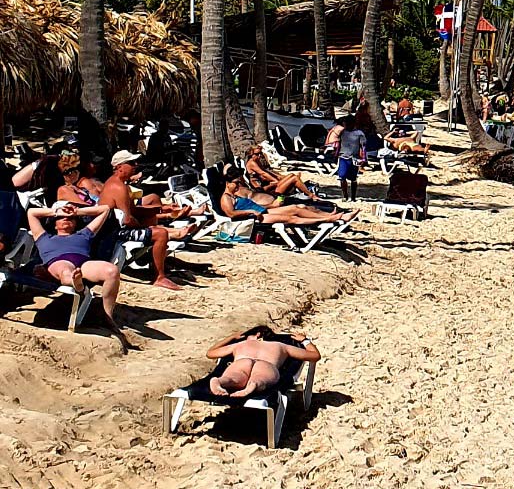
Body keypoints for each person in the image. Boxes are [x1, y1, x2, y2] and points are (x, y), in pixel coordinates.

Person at [26, 203, 129, 345]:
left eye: (70, 219)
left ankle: (107, 316)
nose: (66, 219)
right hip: (58, 262)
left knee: (112, 271)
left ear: (75, 223)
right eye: (61, 218)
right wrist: (57, 211)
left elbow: (105, 210)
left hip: (83, 264)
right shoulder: (43, 237)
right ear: (55, 225)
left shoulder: (84, 233)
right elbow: (31, 212)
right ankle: (77, 284)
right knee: (65, 271)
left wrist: (76, 211)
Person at [98, 151, 192, 292]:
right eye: (131, 163)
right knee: (160, 234)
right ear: (119, 167)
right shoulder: (118, 187)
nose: (135, 166)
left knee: (153, 224)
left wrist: (162, 209)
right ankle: (159, 277)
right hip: (114, 233)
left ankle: (155, 263)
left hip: (115, 228)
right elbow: (128, 219)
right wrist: (145, 227)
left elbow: (134, 210)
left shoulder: (120, 184)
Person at [202, 325, 321, 399]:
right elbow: (315, 356)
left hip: (241, 362)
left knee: (234, 377)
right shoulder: (281, 346)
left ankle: (220, 381)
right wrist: (305, 341)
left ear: (257, 334)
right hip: (266, 365)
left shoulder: (241, 344)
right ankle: (253, 385)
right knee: (261, 378)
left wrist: (232, 337)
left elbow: (210, 353)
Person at [217, 170, 354, 230]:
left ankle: (331, 216)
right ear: (227, 183)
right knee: (292, 218)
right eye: (235, 183)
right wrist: (250, 211)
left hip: (263, 211)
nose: (238, 185)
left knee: (298, 207)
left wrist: (270, 205)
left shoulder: (235, 195)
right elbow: (231, 214)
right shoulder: (226, 198)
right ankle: (327, 219)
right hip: (256, 218)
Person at [336, 116, 368, 201]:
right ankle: (345, 195)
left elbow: (363, 147)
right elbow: (339, 144)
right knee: (342, 176)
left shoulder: (359, 133)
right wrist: (336, 154)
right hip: (343, 157)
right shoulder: (342, 132)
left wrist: (364, 158)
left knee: (353, 178)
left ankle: (353, 197)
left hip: (354, 158)